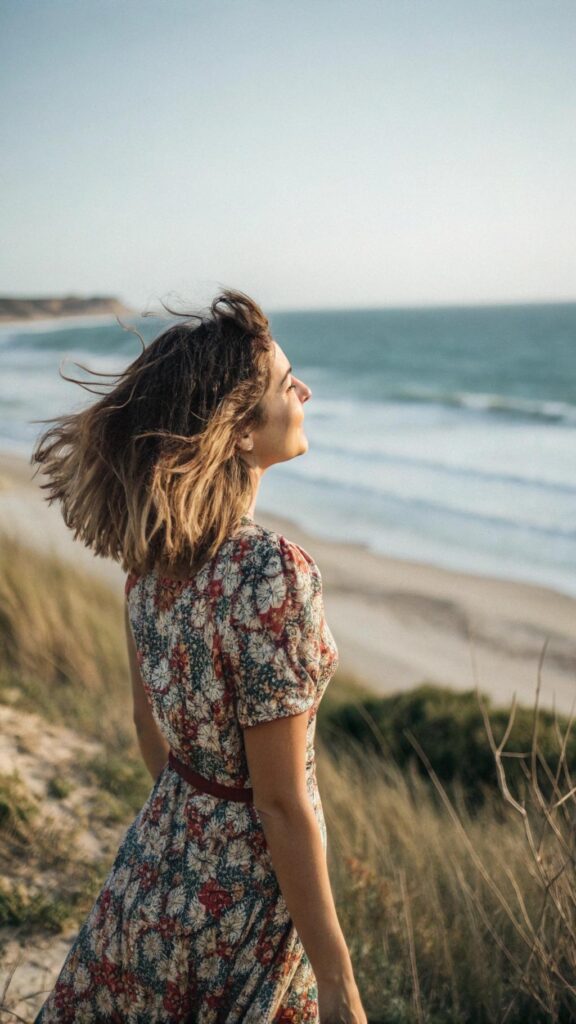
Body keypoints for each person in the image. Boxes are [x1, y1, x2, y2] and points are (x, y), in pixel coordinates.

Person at [31, 290, 368, 1024]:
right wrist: (341, 986)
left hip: (151, 873)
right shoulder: (271, 573)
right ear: (241, 432)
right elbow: (281, 803)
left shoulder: (148, 563)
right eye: (287, 384)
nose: (304, 391)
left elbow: (148, 729)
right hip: (241, 905)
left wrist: (192, 831)